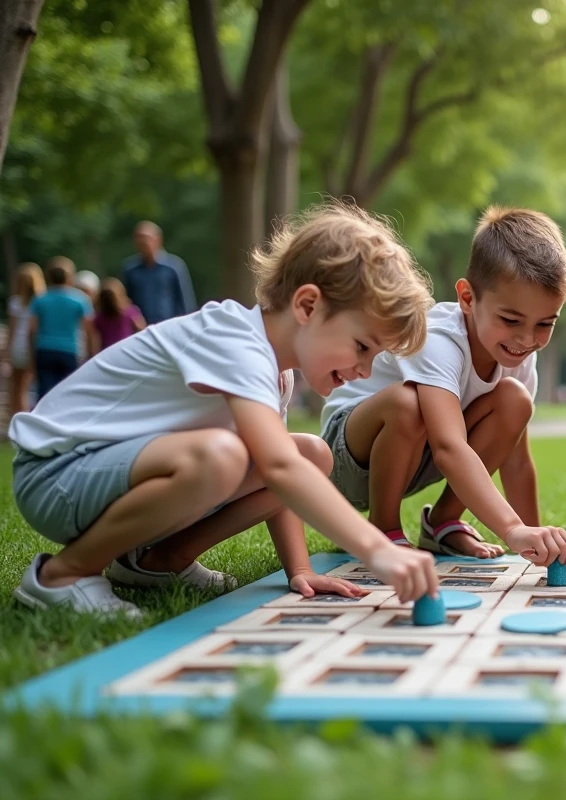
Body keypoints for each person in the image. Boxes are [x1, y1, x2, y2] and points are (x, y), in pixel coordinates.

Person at [9, 202, 440, 618]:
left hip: (107, 479)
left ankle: (159, 561)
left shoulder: (276, 371)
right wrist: (375, 547)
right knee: (224, 455)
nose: (364, 371)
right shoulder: (235, 341)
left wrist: (301, 569)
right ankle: (61, 575)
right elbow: (278, 469)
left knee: (311, 454)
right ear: (308, 306)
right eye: (362, 347)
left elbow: (288, 472)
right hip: (56, 475)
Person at [320, 207, 566, 568]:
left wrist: (536, 539)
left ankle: (442, 523)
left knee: (515, 401)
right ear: (468, 299)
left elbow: (516, 460)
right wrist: (511, 529)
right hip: (348, 456)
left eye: (544, 324)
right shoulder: (438, 339)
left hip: (418, 455)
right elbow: (448, 447)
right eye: (510, 320)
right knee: (408, 403)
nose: (526, 338)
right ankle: (384, 529)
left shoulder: (516, 352)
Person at [28, 257, 96, 399]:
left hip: (45, 348)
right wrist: (91, 353)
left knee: (44, 393)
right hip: (69, 350)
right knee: (67, 393)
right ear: (69, 277)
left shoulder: (40, 299)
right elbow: (89, 330)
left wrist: (31, 354)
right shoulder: (81, 299)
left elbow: (32, 330)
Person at [121, 221, 197, 325]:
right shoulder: (130, 269)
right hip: (140, 330)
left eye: (145, 237)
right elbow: (126, 303)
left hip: (168, 327)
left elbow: (185, 301)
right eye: (138, 238)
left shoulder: (174, 266)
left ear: (158, 239)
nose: (142, 241)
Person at [6, 262, 45, 418]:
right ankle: (27, 418)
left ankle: (15, 419)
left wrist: (6, 352)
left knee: (16, 388)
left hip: (17, 345)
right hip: (34, 344)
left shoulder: (15, 302)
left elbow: (12, 329)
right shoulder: (41, 302)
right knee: (29, 387)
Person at [94, 277, 147, 350]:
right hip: (126, 349)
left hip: (106, 352)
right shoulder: (130, 312)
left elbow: (95, 340)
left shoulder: (98, 317)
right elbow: (142, 329)